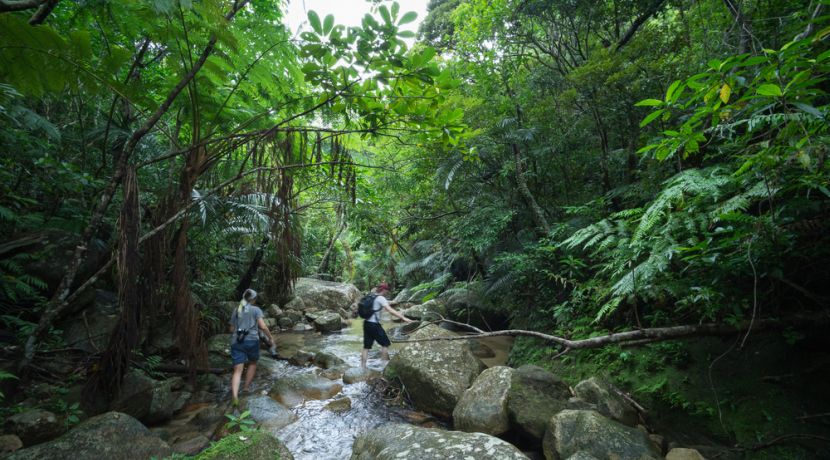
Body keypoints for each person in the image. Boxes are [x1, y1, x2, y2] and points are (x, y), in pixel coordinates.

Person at [229, 288, 276, 408]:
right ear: (254, 299)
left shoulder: (236, 309)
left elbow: (231, 329)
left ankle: (235, 396)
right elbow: (263, 326)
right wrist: (270, 338)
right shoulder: (256, 310)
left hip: (236, 341)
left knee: (237, 370)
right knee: (252, 363)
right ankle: (245, 388)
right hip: (252, 341)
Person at [361, 282, 413, 369]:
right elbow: (390, 310)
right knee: (385, 344)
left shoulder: (371, 296)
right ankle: (384, 366)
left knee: (366, 347)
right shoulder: (381, 298)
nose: (387, 292)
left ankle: (362, 367)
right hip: (374, 325)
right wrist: (403, 318)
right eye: (387, 290)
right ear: (383, 290)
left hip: (366, 323)